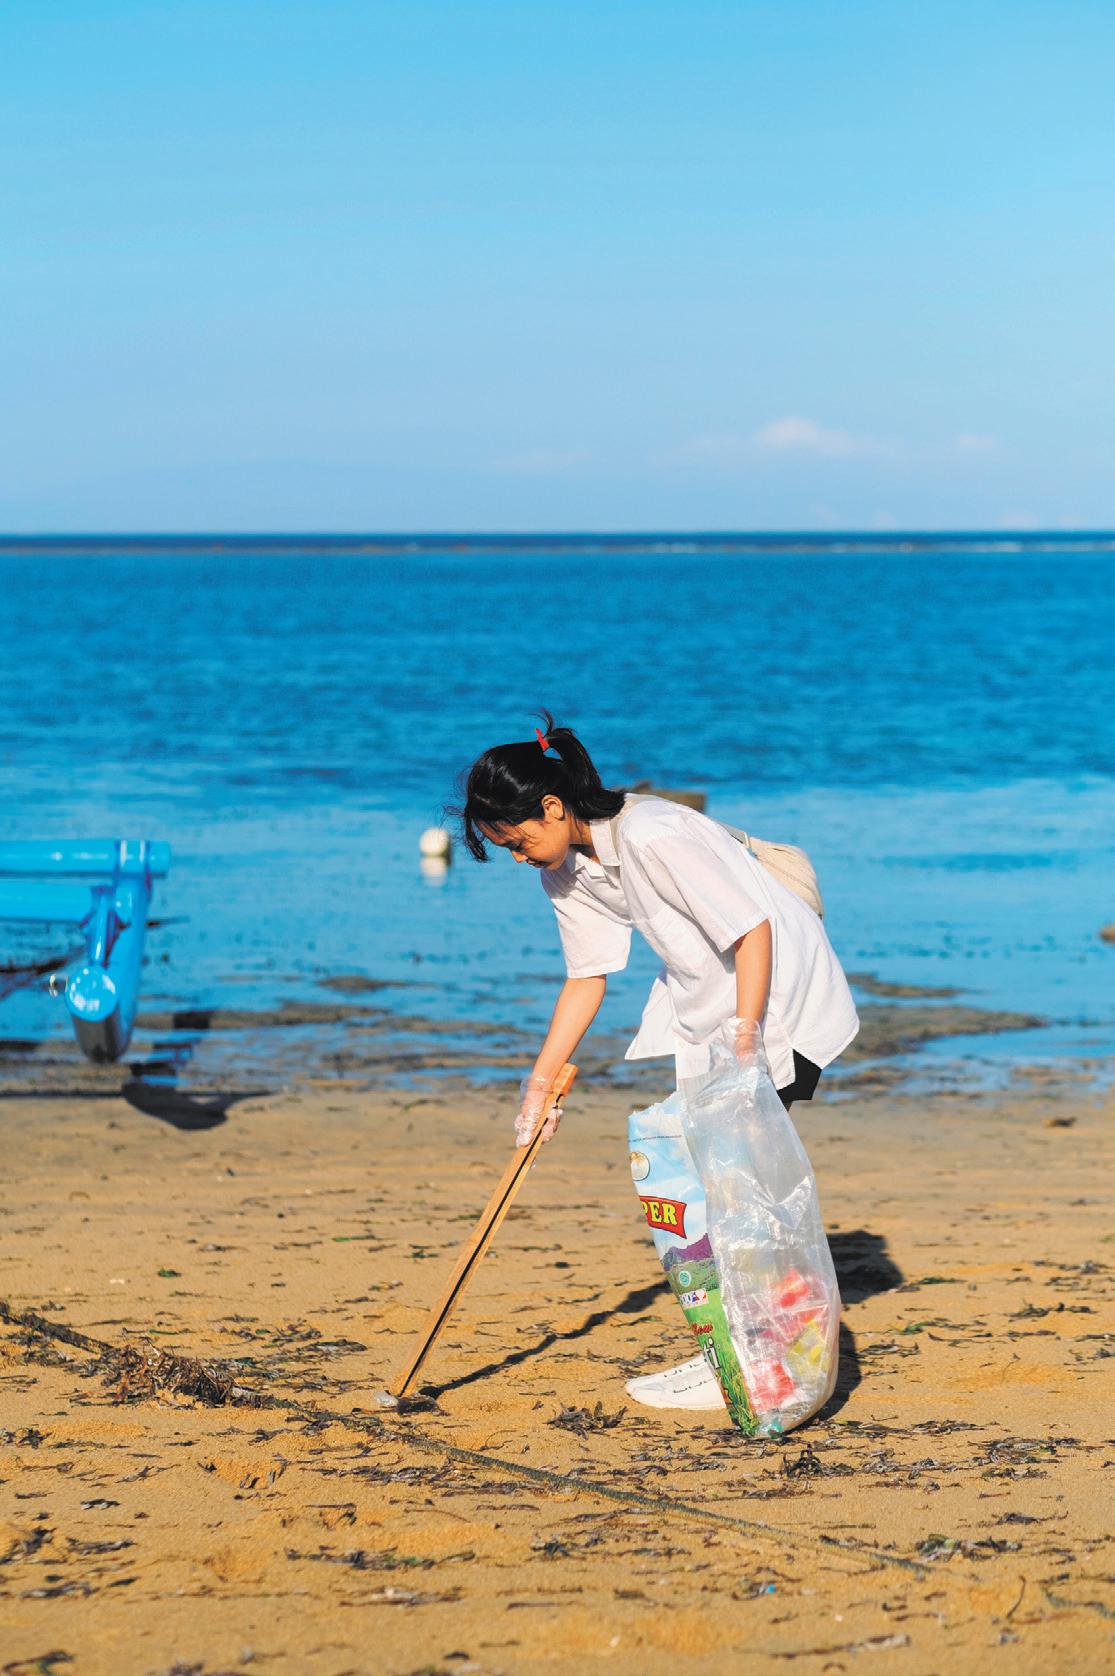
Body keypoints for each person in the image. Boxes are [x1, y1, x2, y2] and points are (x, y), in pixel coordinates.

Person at [458, 714, 858, 1412]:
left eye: (518, 841)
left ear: (551, 806)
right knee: (701, 1179)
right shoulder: (564, 868)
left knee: (730, 1187)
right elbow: (586, 977)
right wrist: (539, 1083)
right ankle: (736, 1348)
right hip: (708, 1004)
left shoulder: (653, 832)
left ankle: (751, 1360)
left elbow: (752, 929)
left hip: (777, 1000)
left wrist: (746, 1039)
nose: (518, 858)